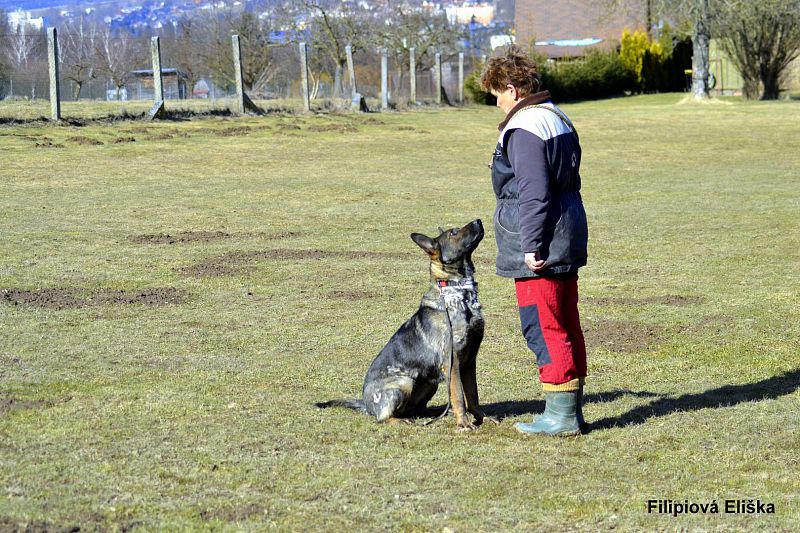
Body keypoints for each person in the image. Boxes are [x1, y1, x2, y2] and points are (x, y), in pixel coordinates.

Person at [481, 47, 589, 436]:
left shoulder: (524, 127)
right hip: (568, 229)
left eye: (497, 93)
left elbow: (534, 193)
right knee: (565, 322)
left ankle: (560, 417)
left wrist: (532, 245)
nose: (497, 102)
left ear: (511, 88)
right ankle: (569, 412)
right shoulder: (556, 115)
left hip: (544, 240)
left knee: (543, 326)